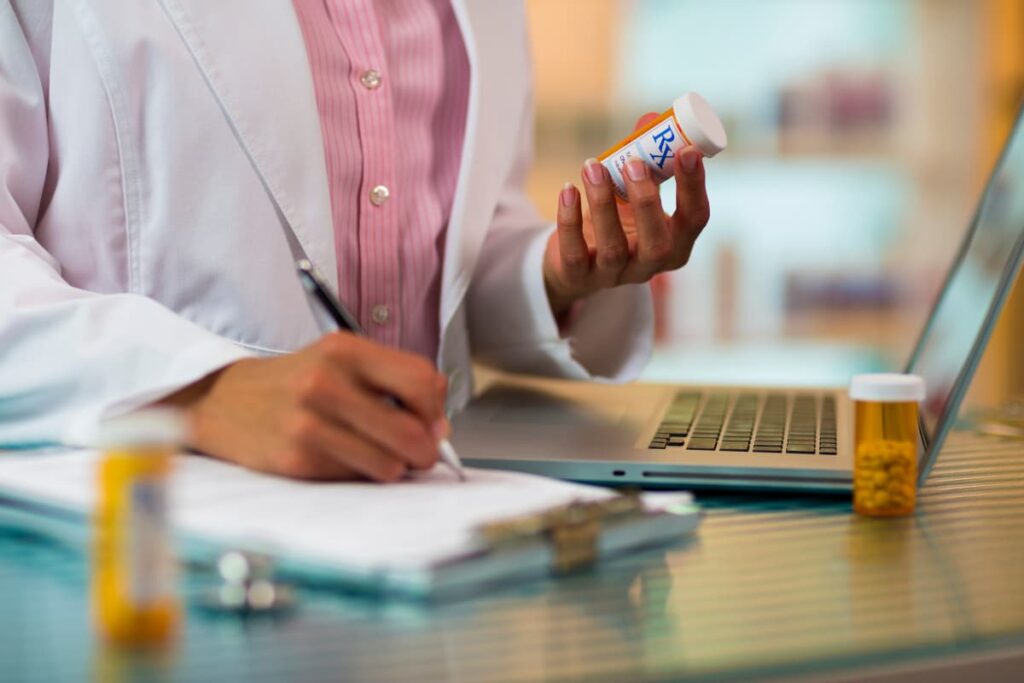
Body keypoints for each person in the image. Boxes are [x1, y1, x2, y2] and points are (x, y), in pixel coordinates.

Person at [0, 1, 711, 481]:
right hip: (148, 530)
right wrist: (200, 391)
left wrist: (553, 275)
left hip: (427, 525)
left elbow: (453, 235)